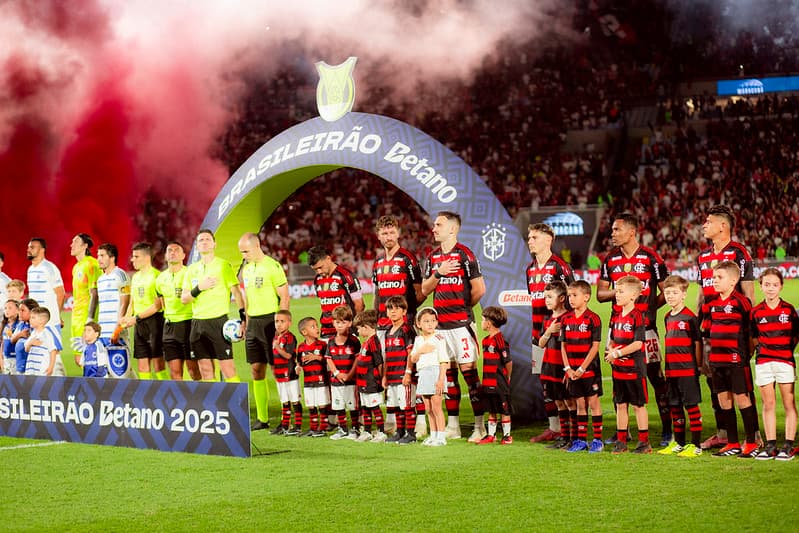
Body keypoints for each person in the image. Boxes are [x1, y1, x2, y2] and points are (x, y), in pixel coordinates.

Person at [596, 213, 671, 446]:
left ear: (631, 232)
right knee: (619, 380)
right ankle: (623, 431)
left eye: (617, 230)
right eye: (612, 230)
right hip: (617, 330)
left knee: (655, 378)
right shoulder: (610, 259)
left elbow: (667, 291)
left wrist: (648, 310)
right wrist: (619, 292)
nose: (612, 234)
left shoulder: (651, 258)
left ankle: (667, 429)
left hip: (645, 330)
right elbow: (599, 294)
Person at [421, 211, 486, 442]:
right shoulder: (432, 258)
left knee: (469, 375)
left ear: (452, 229)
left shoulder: (465, 255)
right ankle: (454, 425)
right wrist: (439, 273)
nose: (434, 229)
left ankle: (480, 426)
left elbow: (479, 289)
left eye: (438, 225)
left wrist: (463, 311)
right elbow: (425, 289)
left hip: (461, 327)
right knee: (447, 377)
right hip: (440, 328)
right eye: (434, 225)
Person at [696, 204, 756, 450]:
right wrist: (700, 328)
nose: (704, 225)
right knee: (714, 381)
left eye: (708, 221)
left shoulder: (740, 253)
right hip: (711, 327)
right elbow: (701, 295)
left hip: (734, 330)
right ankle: (724, 434)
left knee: (742, 383)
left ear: (723, 226)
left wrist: (747, 335)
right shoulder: (703, 257)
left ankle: (754, 436)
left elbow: (749, 295)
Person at [372, 215, 423, 434]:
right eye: (384, 233)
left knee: (410, 372)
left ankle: (419, 421)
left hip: (404, 326)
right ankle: (392, 420)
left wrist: (407, 317)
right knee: (388, 371)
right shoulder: (378, 263)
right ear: (378, 235)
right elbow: (377, 293)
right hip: (383, 326)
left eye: (392, 232)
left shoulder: (408, 259)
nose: (388, 236)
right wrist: (376, 318)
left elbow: (419, 292)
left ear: (398, 234)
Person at [704, 261, 759, 458]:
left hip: (736, 359)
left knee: (742, 398)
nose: (715, 280)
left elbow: (751, 331)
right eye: (713, 277)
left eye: (719, 277)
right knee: (723, 400)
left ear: (734, 280)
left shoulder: (741, 302)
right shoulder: (711, 302)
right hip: (717, 360)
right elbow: (706, 330)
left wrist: (746, 355)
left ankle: (751, 442)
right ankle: (733, 443)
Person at [526, 222, 574, 443]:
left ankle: (571, 430)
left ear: (548, 240)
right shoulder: (530, 269)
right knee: (545, 382)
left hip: (559, 336)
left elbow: (573, 300)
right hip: (539, 335)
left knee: (561, 383)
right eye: (529, 237)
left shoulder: (559, 267)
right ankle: (554, 428)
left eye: (535, 237)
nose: (530, 241)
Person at [238, 232, 290, 430]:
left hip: (271, 322)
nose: (243, 255)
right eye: (241, 252)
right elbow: (248, 298)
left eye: (246, 251)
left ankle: (286, 419)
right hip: (254, 324)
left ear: (257, 246)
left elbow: (284, 297)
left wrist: (282, 325)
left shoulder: (272, 266)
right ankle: (262, 418)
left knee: (278, 370)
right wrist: (246, 322)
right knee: (255, 369)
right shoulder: (247, 269)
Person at [181, 229, 245, 382]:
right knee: (205, 369)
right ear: (197, 245)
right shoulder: (191, 270)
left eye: (207, 239)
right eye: (200, 240)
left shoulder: (223, 265)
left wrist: (243, 317)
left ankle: (235, 404)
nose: (204, 242)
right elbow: (184, 298)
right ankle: (215, 404)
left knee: (228, 368)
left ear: (214, 244)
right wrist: (199, 288)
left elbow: (236, 293)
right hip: (197, 323)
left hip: (219, 322)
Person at [750, 268, 799, 460]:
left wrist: (783, 351)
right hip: (764, 362)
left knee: (789, 402)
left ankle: (788, 445)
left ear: (781, 286)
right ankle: (771, 446)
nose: (771, 288)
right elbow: (754, 338)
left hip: (785, 361)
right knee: (768, 403)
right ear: (761, 286)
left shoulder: (789, 310)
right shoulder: (756, 312)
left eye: (775, 285)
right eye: (767, 284)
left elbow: (795, 336)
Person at [604, 276, 650, 454]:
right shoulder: (616, 316)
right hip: (619, 371)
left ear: (633, 296)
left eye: (621, 291)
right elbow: (612, 340)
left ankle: (644, 443)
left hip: (634, 370)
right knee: (621, 404)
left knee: (638, 405)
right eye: (616, 290)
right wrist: (611, 349)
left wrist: (618, 353)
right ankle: (621, 442)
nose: (617, 294)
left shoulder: (637, 316)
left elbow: (638, 344)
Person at [660, 275, 704, 457]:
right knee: (675, 406)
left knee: (691, 406)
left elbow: (697, 343)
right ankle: (679, 443)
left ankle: (696, 445)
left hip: (687, 370)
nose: (670, 296)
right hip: (672, 371)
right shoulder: (667, 317)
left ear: (683, 294)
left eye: (674, 293)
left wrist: (698, 366)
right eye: (667, 292)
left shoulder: (690, 317)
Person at [560, 280, 603, 453]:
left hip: (588, 370)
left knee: (593, 403)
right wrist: (568, 368)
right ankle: (581, 440)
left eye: (574, 295)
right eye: (569, 295)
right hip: (572, 370)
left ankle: (597, 440)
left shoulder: (593, 318)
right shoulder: (566, 319)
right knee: (580, 405)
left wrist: (582, 369)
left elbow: (595, 346)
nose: (571, 299)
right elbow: (563, 345)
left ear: (586, 297)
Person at [121, 242, 167, 380]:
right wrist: (126, 319)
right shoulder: (135, 277)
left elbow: (158, 306)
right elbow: (132, 303)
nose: (132, 259)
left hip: (155, 323)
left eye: (136, 256)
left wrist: (135, 318)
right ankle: (145, 396)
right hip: (139, 324)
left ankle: (166, 392)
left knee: (158, 364)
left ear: (147, 258)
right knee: (142, 364)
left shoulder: (157, 276)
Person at [155, 241, 201, 381]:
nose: (173, 252)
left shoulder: (190, 273)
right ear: (166, 256)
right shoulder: (160, 278)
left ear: (183, 255)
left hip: (189, 324)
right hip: (169, 327)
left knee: (193, 369)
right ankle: (181, 402)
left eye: (176, 250)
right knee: (175, 371)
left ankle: (199, 399)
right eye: (169, 250)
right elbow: (161, 303)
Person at [537, 281, 574, 450]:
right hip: (548, 368)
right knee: (559, 403)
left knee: (570, 403)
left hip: (563, 367)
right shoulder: (547, 320)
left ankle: (574, 438)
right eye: (545, 297)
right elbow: (541, 343)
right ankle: (563, 437)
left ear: (561, 298)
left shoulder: (569, 318)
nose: (546, 300)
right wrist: (549, 331)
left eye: (550, 297)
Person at [409, 307, 449, 447]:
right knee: (428, 408)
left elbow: (444, 361)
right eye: (426, 321)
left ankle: (441, 436)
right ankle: (433, 435)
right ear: (418, 324)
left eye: (433, 321)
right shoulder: (418, 339)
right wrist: (421, 350)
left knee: (437, 407)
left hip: (435, 372)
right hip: (423, 374)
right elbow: (413, 359)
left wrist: (440, 380)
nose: (430, 324)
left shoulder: (438, 338)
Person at [307, 245, 364, 340]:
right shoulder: (317, 279)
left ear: (328, 259)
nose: (319, 271)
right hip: (326, 331)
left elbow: (359, 305)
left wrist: (351, 327)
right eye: (315, 269)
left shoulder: (346, 276)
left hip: (346, 330)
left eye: (320, 267)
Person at [382, 296, 417, 444]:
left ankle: (411, 434)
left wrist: (408, 373)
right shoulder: (388, 331)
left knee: (407, 406)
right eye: (390, 309)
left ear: (404, 311)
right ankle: (400, 432)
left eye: (397, 308)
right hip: (392, 375)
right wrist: (384, 376)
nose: (393, 311)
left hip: (404, 375)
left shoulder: (407, 330)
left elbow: (411, 353)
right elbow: (387, 356)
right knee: (396, 405)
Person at [476, 306, 513, 445]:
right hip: (488, 381)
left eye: (482, 319)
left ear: (489, 323)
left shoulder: (500, 340)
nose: (481, 322)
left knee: (504, 409)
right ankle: (491, 435)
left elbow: (508, 362)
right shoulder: (485, 341)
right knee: (491, 409)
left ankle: (507, 435)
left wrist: (507, 377)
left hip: (499, 383)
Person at [325, 305, 361, 441]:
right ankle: (342, 428)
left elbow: (357, 359)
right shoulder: (331, 342)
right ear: (333, 322)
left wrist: (349, 375)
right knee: (338, 405)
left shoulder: (354, 341)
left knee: (352, 406)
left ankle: (355, 428)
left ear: (350, 323)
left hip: (351, 381)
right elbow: (329, 359)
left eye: (343, 322)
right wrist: (336, 373)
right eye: (337, 322)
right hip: (336, 381)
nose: (340, 325)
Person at [352, 310, 387, 443]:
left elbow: (379, 362)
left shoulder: (373, 342)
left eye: (359, 328)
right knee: (365, 407)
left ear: (366, 327)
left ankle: (381, 432)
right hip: (363, 382)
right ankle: (366, 431)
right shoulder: (367, 341)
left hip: (371, 382)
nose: (358, 332)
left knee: (374, 407)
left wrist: (379, 380)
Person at [296, 317, 329, 437]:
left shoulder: (322, 345)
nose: (317, 328)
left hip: (321, 380)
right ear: (304, 332)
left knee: (322, 405)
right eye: (313, 326)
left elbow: (328, 360)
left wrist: (316, 358)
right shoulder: (301, 347)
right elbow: (299, 362)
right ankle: (313, 428)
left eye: (317, 326)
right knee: (311, 405)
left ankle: (323, 428)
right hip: (308, 381)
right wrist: (298, 367)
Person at [68, 233, 101, 356]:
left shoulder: (92, 264)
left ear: (85, 246)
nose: (71, 245)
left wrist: (90, 319)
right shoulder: (76, 267)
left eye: (75, 242)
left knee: (89, 358)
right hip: (76, 316)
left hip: (86, 317)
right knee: (78, 358)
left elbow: (95, 293)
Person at [270, 310, 301, 436]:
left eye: (282, 321)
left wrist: (277, 347)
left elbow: (288, 355)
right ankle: (285, 425)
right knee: (284, 400)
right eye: (277, 321)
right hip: (279, 375)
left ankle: (298, 426)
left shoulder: (290, 337)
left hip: (290, 375)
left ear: (289, 323)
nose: (279, 324)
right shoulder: (276, 337)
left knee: (294, 400)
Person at [26, 238, 65, 330]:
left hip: (49, 322)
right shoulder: (30, 270)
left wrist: (56, 316)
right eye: (28, 247)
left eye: (32, 247)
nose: (28, 250)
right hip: (34, 322)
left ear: (42, 250)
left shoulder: (49, 268)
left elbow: (60, 294)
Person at [96, 244, 130, 343]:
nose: (99, 259)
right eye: (98, 256)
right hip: (102, 332)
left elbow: (125, 303)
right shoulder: (100, 280)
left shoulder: (120, 275)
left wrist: (117, 329)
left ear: (112, 258)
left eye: (102, 256)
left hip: (116, 332)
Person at [23, 307, 61, 376]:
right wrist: (30, 343)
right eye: (30, 317)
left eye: (33, 318)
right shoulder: (33, 333)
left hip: (42, 369)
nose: (30, 319)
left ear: (41, 321)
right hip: (31, 367)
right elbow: (26, 349)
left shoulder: (46, 334)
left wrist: (51, 367)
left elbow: (53, 350)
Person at [11, 299, 37, 374]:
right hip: (20, 367)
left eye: (23, 310)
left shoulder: (37, 326)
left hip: (32, 369)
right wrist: (20, 335)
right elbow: (12, 340)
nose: (19, 313)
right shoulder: (21, 324)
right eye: (19, 310)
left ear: (32, 312)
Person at [1, 299, 20, 374]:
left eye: (10, 308)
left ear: (17, 310)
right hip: (6, 360)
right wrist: (1, 359)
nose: (6, 310)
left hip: (16, 359)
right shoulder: (4, 325)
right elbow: (2, 343)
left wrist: (12, 335)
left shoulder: (20, 324)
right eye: (5, 308)